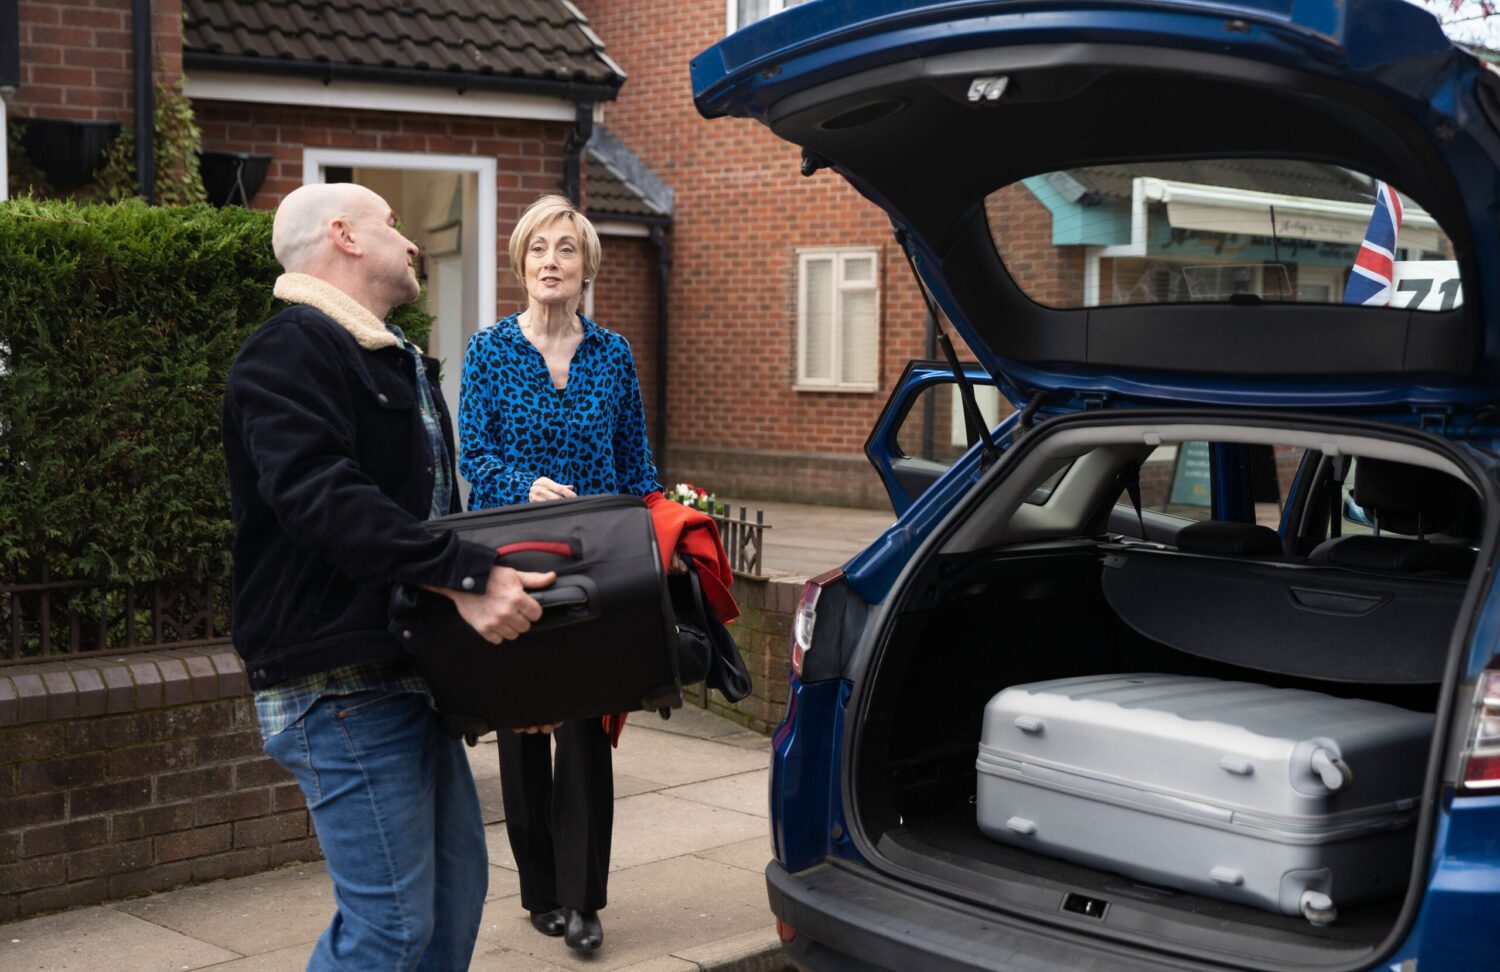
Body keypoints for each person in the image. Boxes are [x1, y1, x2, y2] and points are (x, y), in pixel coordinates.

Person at [221, 182, 558, 971]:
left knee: (447, 915)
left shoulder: (379, 354)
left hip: (401, 679)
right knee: (392, 931)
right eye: (393, 226)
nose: (410, 243)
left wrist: (514, 683)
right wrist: (470, 575)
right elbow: (322, 499)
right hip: (339, 689)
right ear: (342, 235)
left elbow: (419, 523)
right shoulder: (290, 349)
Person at [459, 194, 670, 953]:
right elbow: (473, 459)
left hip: (594, 558)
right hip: (513, 555)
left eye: (566, 250)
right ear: (521, 264)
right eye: (538, 250)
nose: (551, 262)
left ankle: (583, 901)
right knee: (523, 722)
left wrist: (658, 529)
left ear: (587, 267)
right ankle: (539, 892)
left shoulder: (612, 354)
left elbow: (637, 465)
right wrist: (524, 485)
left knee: (585, 723)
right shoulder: (488, 351)